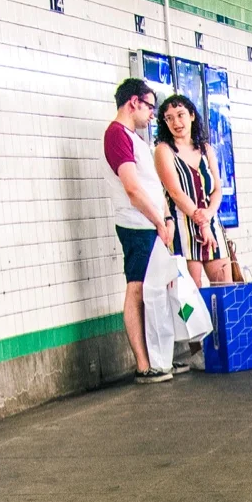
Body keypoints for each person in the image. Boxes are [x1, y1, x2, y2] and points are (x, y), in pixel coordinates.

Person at [104, 78, 177, 384]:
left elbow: (151, 185)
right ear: (133, 102)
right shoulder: (116, 135)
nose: (152, 114)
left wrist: (167, 218)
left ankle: (159, 358)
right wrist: (160, 222)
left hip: (152, 223)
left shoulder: (135, 138)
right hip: (136, 225)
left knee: (153, 290)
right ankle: (144, 364)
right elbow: (132, 189)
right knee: (137, 289)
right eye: (149, 106)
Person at [155, 94, 230, 287]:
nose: (176, 122)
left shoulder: (206, 149)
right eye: (169, 118)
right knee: (189, 295)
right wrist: (202, 223)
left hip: (212, 225)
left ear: (192, 116)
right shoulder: (164, 150)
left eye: (180, 115)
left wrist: (209, 215)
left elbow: (217, 190)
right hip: (182, 229)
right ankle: (195, 320)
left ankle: (218, 320)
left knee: (225, 287)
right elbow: (175, 192)